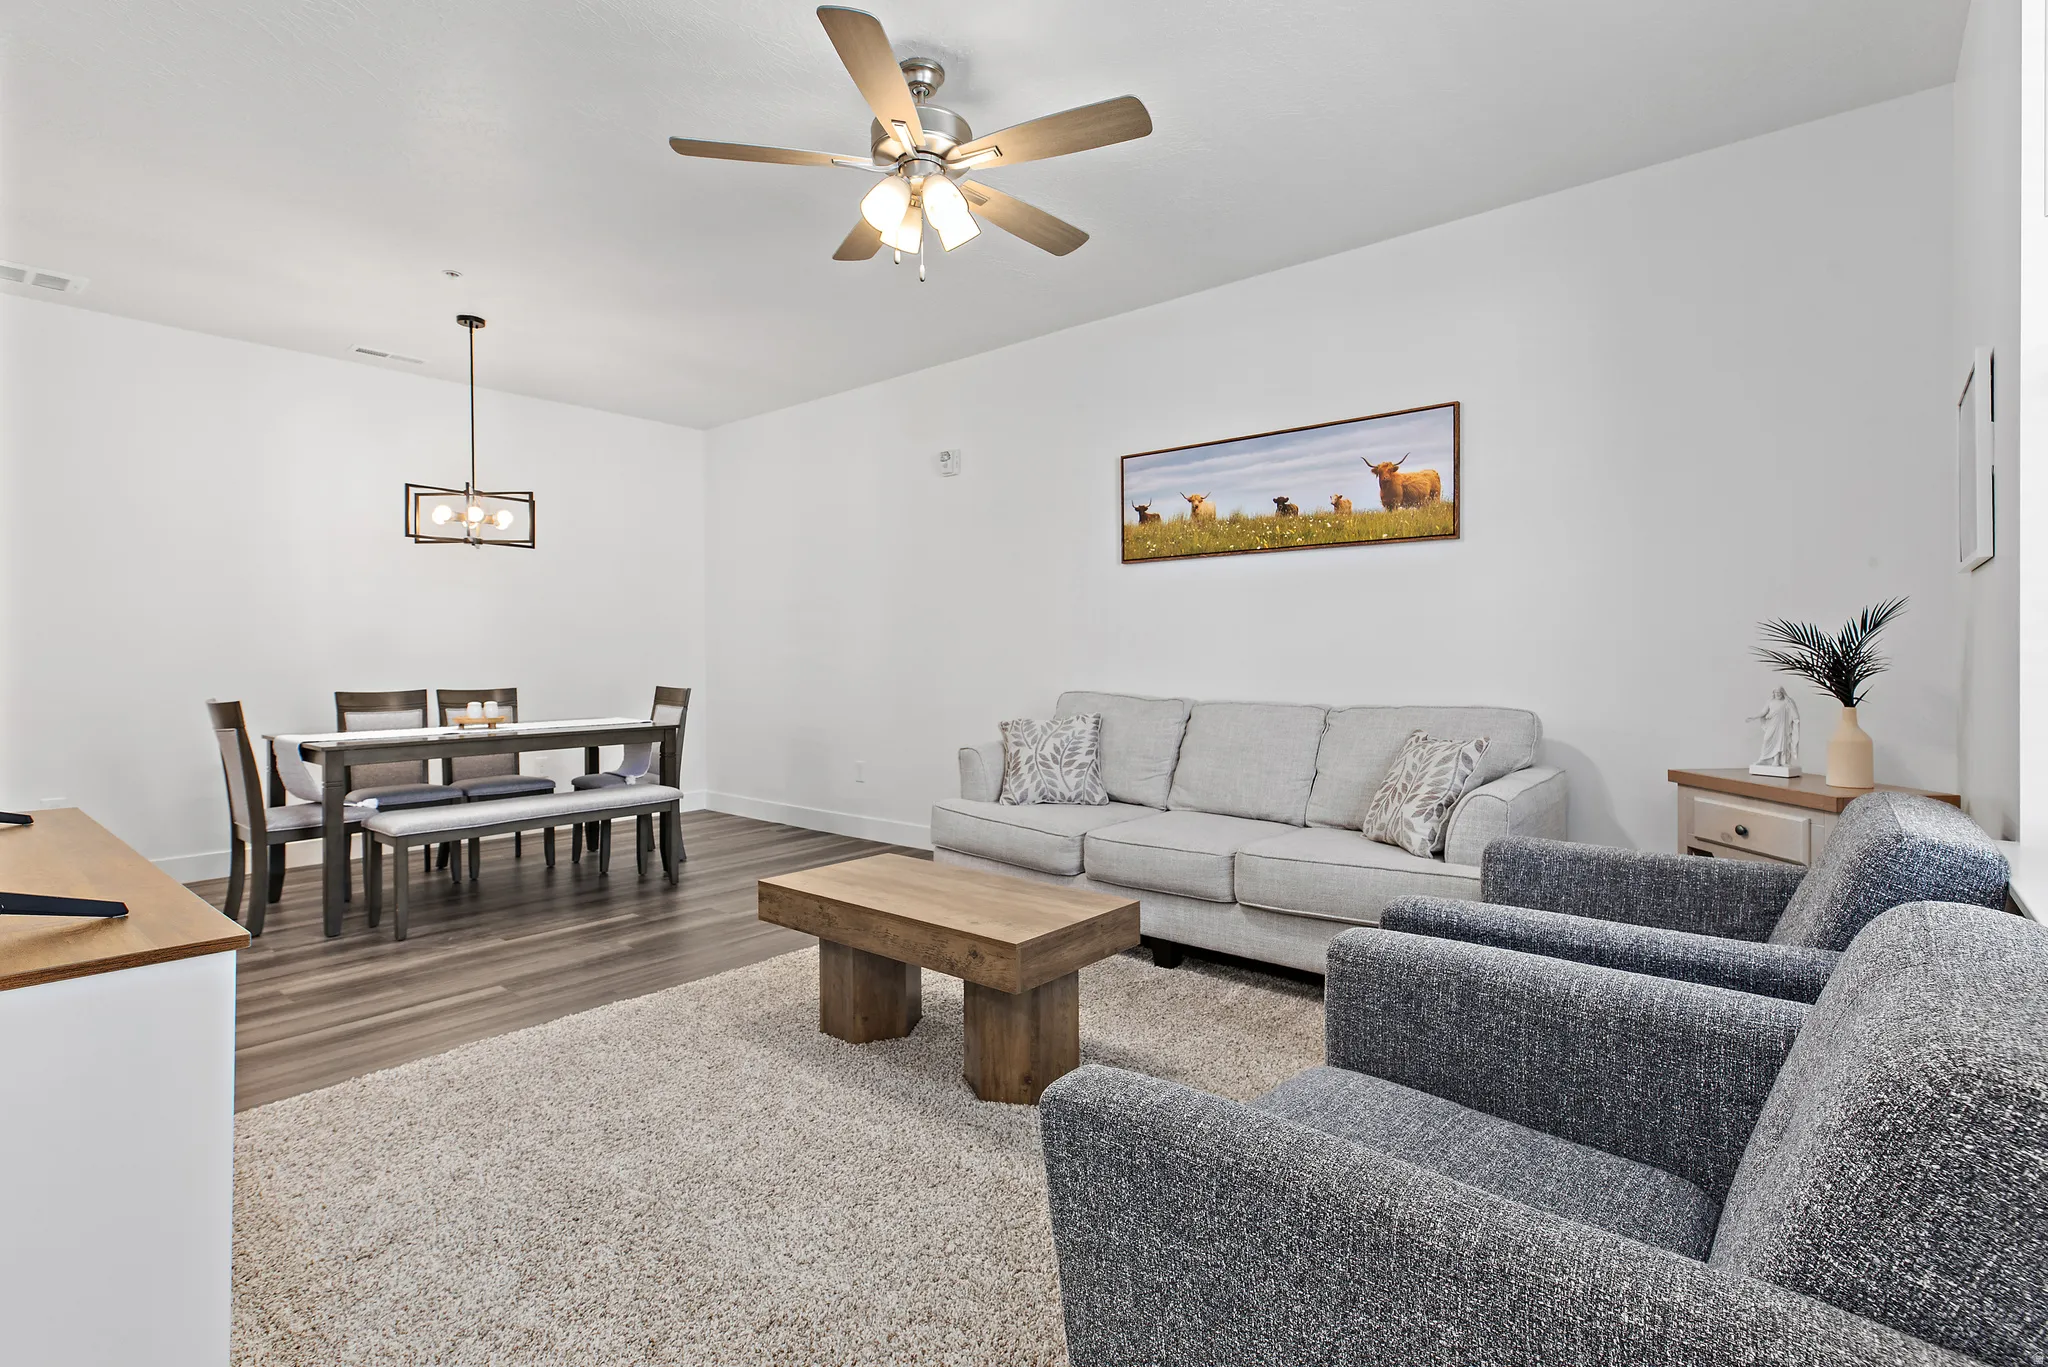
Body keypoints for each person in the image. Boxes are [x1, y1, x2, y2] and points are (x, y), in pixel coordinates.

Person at [1749, 686, 1801, 773]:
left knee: (1780, 742)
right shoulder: (1770, 701)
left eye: (1779, 693)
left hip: (1782, 726)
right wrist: (1753, 717)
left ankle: (1776, 760)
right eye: (1776, 693)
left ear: (1783, 693)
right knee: (1766, 740)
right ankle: (1763, 759)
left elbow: (1793, 713)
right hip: (1772, 725)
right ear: (1773, 693)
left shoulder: (1786, 702)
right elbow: (1763, 712)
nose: (1778, 694)